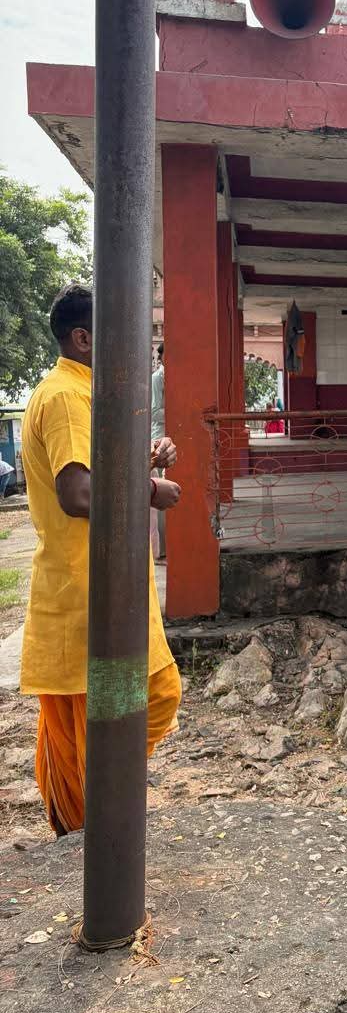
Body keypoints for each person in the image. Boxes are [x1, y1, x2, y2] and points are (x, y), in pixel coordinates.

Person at [19, 284, 183, 836]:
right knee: (132, 706)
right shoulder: (66, 396)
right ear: (83, 338)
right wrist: (151, 490)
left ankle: (90, 829)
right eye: (117, 333)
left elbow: (98, 472)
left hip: (96, 586)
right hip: (85, 592)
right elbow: (79, 494)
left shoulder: (84, 392)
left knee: (104, 719)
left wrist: (146, 461)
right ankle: (93, 835)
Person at [150, 342, 166, 560]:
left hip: (172, 438)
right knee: (159, 494)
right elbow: (154, 412)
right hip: (158, 439)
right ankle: (159, 549)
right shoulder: (156, 379)